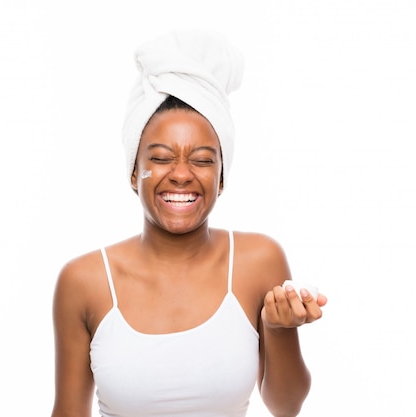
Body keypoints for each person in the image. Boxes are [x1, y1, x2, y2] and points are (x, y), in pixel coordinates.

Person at [51, 29, 327, 417]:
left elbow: (287, 406)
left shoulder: (259, 261)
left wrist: (279, 329)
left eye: (201, 159)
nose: (181, 175)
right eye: (162, 158)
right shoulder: (83, 281)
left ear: (222, 177)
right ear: (134, 173)